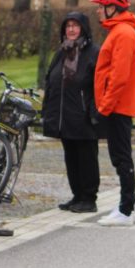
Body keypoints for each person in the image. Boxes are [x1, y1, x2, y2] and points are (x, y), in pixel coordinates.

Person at [89, 0, 135, 227]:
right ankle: (125, 206)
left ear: (113, 8)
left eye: (101, 6)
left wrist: (104, 107)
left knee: (121, 157)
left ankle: (126, 209)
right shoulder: (119, 31)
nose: (98, 10)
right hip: (116, 106)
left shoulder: (122, 33)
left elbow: (119, 77)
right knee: (120, 157)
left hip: (117, 107)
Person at [42, 12, 100, 213]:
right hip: (63, 115)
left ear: (83, 28)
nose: (71, 29)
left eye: (75, 26)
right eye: (68, 26)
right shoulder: (62, 51)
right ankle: (77, 195)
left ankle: (89, 198)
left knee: (86, 157)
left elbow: (98, 85)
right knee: (71, 157)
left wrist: (93, 112)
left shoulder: (93, 53)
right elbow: (52, 80)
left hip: (83, 116)